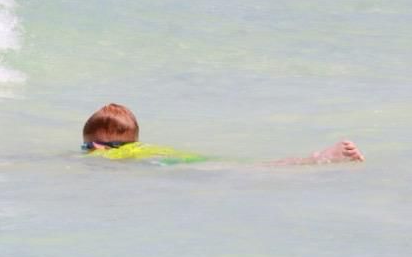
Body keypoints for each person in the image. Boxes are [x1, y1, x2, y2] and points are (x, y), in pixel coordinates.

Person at [81, 103, 364, 165]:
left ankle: (320, 158)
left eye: (89, 146)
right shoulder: (135, 149)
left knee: (258, 169)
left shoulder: (112, 154)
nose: (90, 150)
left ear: (99, 144)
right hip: (193, 161)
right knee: (252, 167)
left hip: (192, 167)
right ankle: (317, 158)